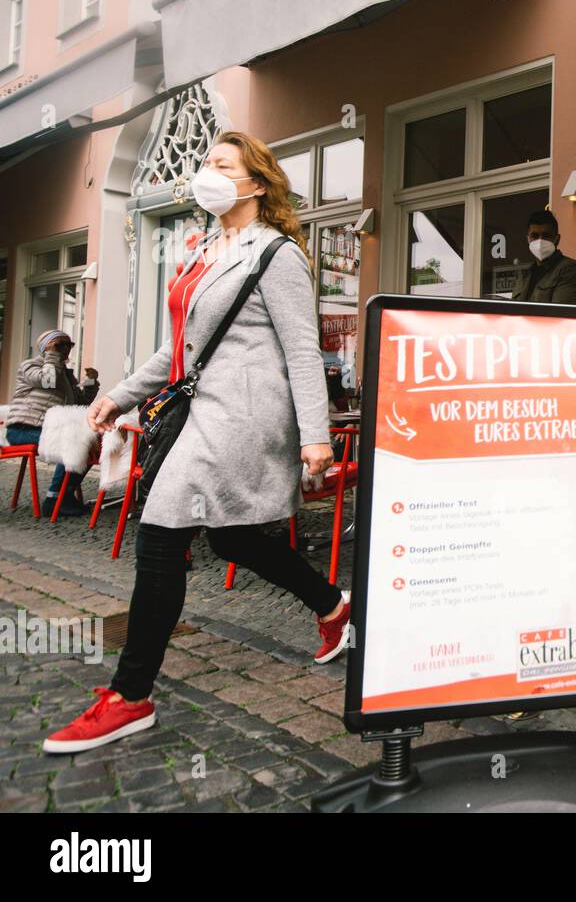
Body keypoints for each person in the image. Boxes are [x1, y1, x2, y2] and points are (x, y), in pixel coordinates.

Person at [43, 132, 352, 755]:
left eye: (221, 164)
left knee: (159, 531)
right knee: (233, 536)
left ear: (257, 184)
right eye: (205, 161)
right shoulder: (209, 248)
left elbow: (301, 348)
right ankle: (331, 605)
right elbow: (179, 346)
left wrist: (315, 437)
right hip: (200, 412)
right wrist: (119, 394)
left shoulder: (278, 253)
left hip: (243, 417)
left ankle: (129, 697)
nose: (205, 171)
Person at [6, 330, 100, 516]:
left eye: (69, 345)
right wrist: (52, 354)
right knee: (71, 444)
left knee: (91, 444)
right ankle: (54, 499)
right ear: (46, 347)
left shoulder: (64, 373)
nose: (66, 349)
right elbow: (48, 382)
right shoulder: (30, 365)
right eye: (60, 345)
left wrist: (91, 381)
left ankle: (64, 495)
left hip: (48, 431)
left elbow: (80, 402)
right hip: (22, 429)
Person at [511, 209, 576, 304]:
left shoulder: (570, 270)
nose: (540, 241)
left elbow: (561, 313)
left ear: (557, 239)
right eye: (535, 236)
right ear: (528, 239)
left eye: (546, 235)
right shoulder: (525, 275)